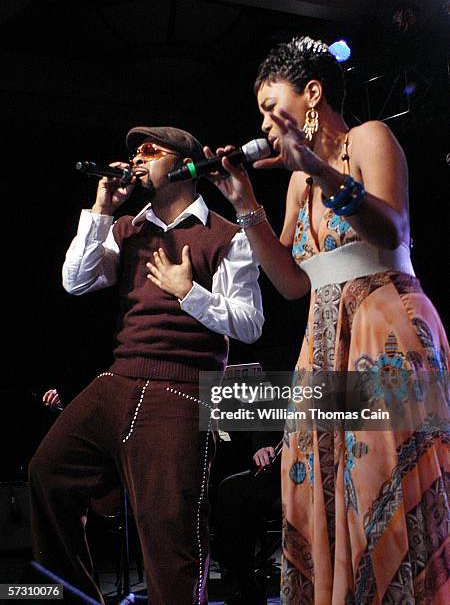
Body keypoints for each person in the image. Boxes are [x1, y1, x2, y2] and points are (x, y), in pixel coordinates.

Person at [205, 36, 450, 603]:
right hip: (323, 344)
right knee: (317, 490)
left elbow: (390, 229)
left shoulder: (368, 139)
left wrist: (318, 167)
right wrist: (245, 204)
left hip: (383, 331)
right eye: (261, 112)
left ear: (312, 93)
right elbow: (293, 283)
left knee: (377, 488)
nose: (264, 122)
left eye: (272, 106)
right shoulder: (295, 184)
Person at [28, 125, 264, 605]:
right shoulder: (127, 228)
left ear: (182, 164)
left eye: (149, 150)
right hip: (120, 377)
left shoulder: (225, 236)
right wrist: (101, 210)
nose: (136, 158)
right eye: (133, 151)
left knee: (168, 526)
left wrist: (189, 294)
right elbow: (75, 282)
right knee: (47, 473)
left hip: (182, 387)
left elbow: (250, 323)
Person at [213, 433, 281, 605]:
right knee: (225, 488)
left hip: (289, 457)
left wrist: (264, 444)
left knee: (233, 492)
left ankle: (245, 584)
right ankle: (243, 580)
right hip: (264, 455)